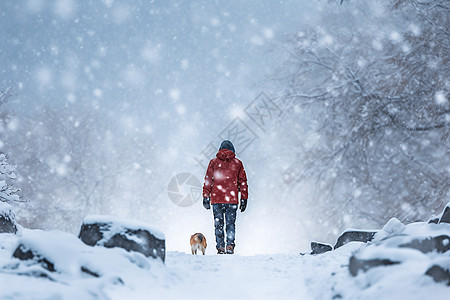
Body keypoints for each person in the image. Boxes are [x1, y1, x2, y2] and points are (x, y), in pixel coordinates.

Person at [202, 140, 248, 254]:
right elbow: (243, 182)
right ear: (232, 150)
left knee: (218, 224)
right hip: (231, 200)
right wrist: (244, 198)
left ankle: (220, 247)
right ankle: (230, 246)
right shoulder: (237, 163)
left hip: (216, 199)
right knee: (230, 224)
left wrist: (205, 196)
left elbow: (208, 181)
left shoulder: (213, 162)